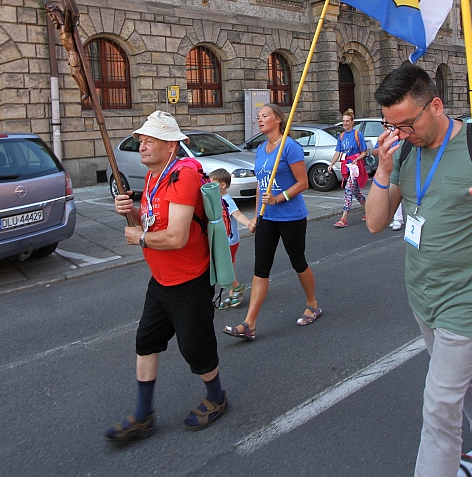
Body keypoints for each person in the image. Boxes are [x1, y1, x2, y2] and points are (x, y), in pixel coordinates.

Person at [363, 64, 472, 477]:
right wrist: (383, 171)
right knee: (459, 378)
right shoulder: (404, 151)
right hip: (421, 293)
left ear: (435, 105)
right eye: (392, 126)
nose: (401, 133)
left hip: (467, 297)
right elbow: (375, 223)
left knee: (439, 404)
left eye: (407, 123)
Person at [107, 111, 227, 442]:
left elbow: (176, 237)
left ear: (171, 145)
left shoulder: (182, 176)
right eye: (141, 140)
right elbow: (154, 220)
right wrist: (131, 212)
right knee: (146, 341)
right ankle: (143, 414)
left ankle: (217, 397)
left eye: (150, 140)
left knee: (196, 350)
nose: (142, 145)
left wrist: (140, 238)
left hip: (189, 282)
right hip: (160, 280)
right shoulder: (153, 177)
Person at [223, 103, 320, 341]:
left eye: (265, 115)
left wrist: (279, 198)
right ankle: (249, 324)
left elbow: (303, 183)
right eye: (258, 116)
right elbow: (261, 185)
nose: (260, 119)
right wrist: (258, 215)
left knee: (298, 261)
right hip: (268, 217)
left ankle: (312, 304)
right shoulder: (261, 149)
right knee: (261, 268)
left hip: (291, 216)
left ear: (278, 119)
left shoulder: (290, 146)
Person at [209, 168, 253, 310]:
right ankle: (233, 294)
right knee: (228, 267)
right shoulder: (217, 199)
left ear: (222, 185)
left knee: (225, 269)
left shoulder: (227, 201)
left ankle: (237, 288)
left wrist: (249, 223)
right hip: (223, 241)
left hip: (229, 241)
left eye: (213, 183)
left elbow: (238, 215)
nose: (210, 185)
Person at [330, 108, 369, 228]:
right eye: (343, 121)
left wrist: (357, 159)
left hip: (355, 168)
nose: (345, 123)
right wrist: (331, 164)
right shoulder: (341, 136)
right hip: (346, 167)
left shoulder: (358, 134)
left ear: (352, 122)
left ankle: (344, 218)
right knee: (356, 192)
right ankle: (369, 211)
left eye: (347, 121)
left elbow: (364, 152)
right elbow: (338, 152)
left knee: (348, 190)